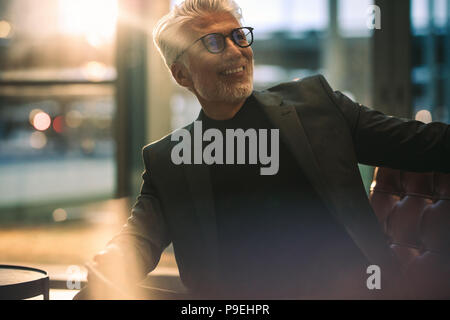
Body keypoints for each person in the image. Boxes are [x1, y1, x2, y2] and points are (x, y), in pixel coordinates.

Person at [76, 0, 450, 300]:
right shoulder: (169, 159)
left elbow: (420, 142)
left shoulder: (317, 104)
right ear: (182, 74)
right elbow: (136, 240)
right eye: (213, 41)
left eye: (239, 36)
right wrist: (96, 282)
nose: (236, 51)